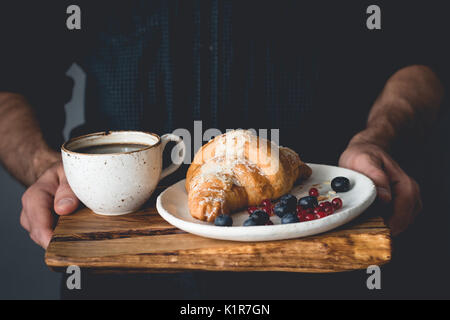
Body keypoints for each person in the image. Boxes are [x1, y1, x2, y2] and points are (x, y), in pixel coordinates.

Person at [0, 1, 447, 298]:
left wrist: (378, 137)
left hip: (325, 258)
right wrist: (44, 164)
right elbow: (12, 78)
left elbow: (419, 53)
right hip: (121, 273)